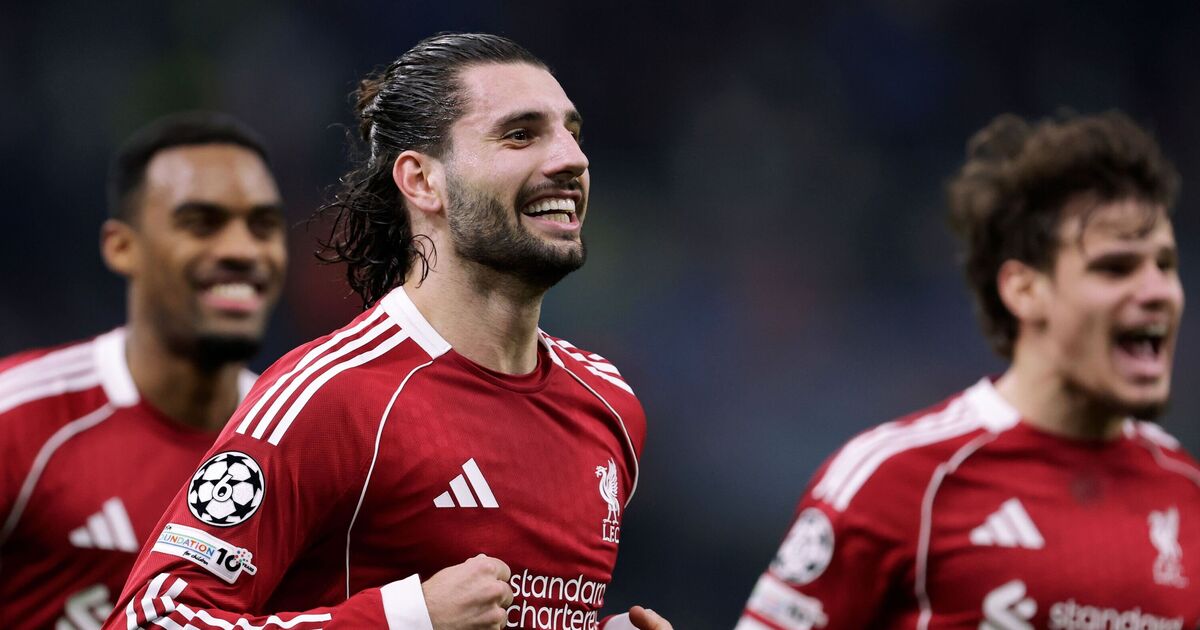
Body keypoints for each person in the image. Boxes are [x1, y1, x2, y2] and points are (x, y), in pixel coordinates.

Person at [108, 33, 671, 630]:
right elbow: (151, 619)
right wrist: (405, 619)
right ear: (422, 181)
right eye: (520, 135)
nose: (571, 159)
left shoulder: (608, 403)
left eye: (572, 133)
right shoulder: (334, 396)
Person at [738, 111, 1200, 629]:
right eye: (1115, 268)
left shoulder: (1189, 495)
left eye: (1166, 266)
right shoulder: (897, 481)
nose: (1157, 291)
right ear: (1024, 290)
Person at [0, 112, 288, 629]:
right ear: (122, 247)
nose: (243, 250)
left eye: (263, 226)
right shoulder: (17, 417)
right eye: (202, 223)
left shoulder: (296, 443)